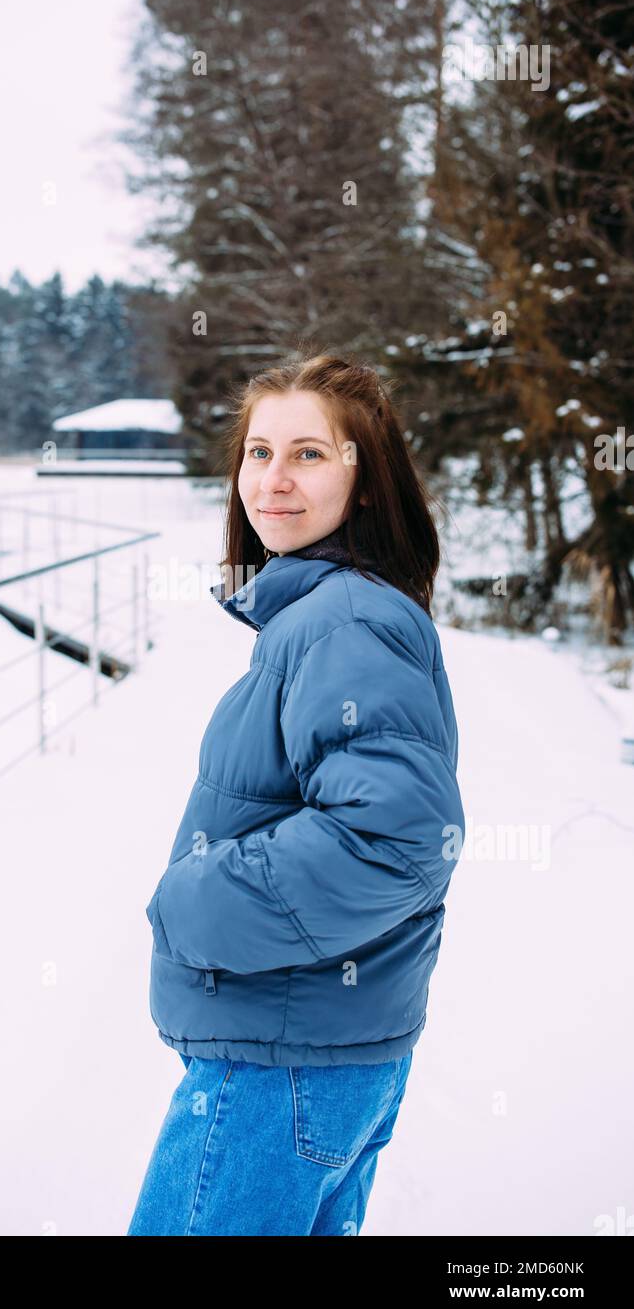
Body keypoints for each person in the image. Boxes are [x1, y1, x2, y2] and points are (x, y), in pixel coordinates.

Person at [127, 352, 465, 1236]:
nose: (273, 480)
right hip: (316, 1058)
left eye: (309, 454)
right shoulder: (333, 611)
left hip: (278, 1074)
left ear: (363, 481)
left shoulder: (345, 619)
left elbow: (394, 840)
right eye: (258, 451)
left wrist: (192, 901)